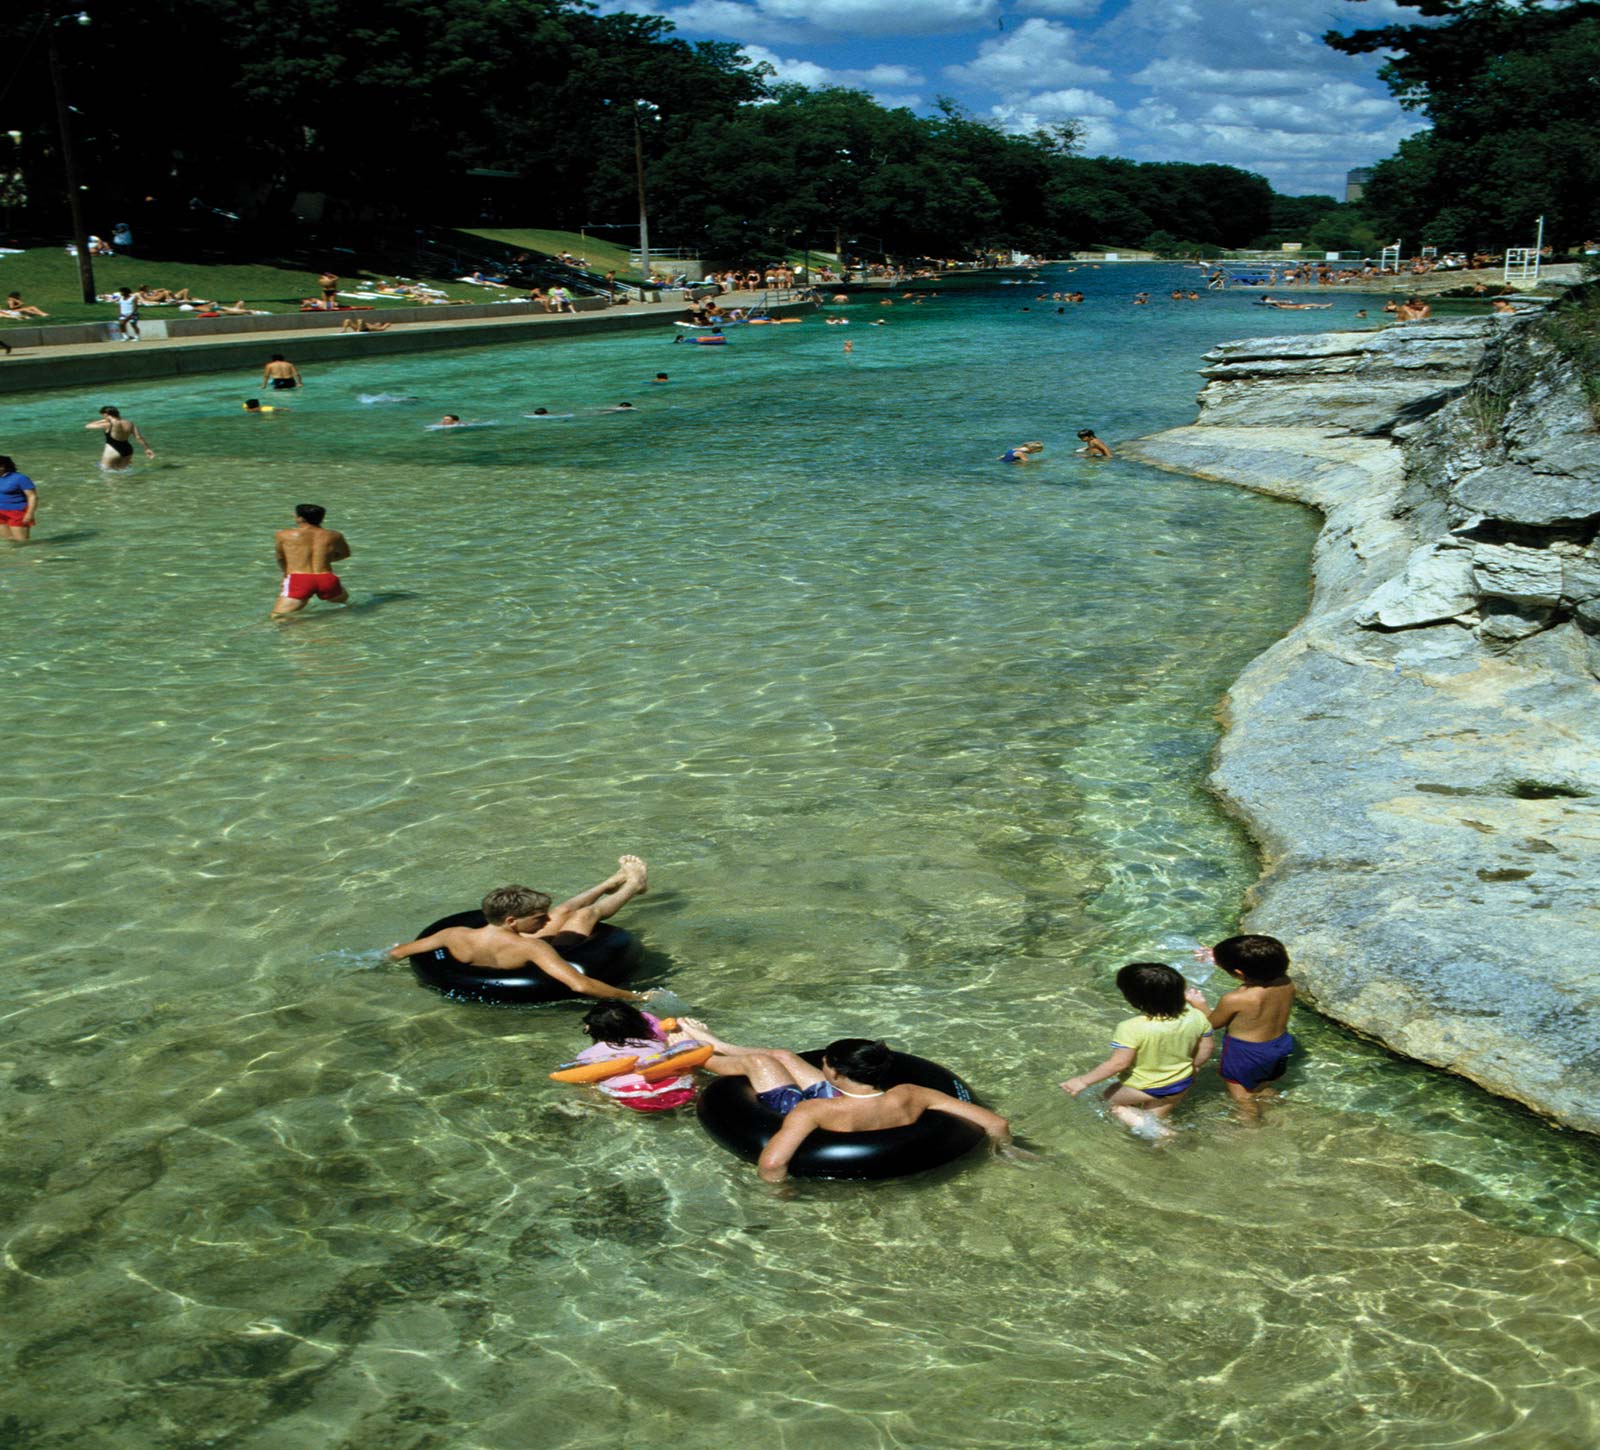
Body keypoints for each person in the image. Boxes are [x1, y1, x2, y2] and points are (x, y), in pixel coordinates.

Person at [677, 1021, 1015, 1182]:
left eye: (824, 1062)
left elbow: (771, 1165)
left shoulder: (812, 1111)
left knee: (762, 1063)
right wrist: (1003, 1151)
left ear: (835, 1074)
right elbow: (997, 1123)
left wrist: (779, 1198)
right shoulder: (912, 1094)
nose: (819, 1064)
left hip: (820, 1110)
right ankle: (715, 1041)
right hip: (855, 1101)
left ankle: (693, 1050)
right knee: (781, 1054)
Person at [387, 859, 657, 1002]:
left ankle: (610, 882)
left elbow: (399, 952)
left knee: (562, 912)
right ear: (512, 921)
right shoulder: (533, 947)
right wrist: (638, 997)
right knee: (586, 914)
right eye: (539, 918)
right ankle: (634, 885)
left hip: (498, 948)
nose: (545, 921)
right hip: (523, 961)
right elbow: (579, 983)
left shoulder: (454, 935)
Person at [1061, 963, 1215, 1137]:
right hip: (1182, 1082)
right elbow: (1207, 1047)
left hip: (1144, 1087)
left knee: (1106, 1101)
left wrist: (1083, 1081)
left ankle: (1160, 1133)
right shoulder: (1196, 1015)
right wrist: (1194, 1068)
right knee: (1151, 1118)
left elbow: (1119, 1063)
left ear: (1133, 999)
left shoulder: (1131, 1028)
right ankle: (1156, 1136)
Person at [1183, 934, 1295, 1119]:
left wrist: (1199, 1004)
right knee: (1261, 1085)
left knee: (1241, 1096)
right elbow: (1262, 966)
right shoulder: (1286, 982)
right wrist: (1217, 957)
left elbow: (1212, 1024)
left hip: (1246, 1054)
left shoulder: (1236, 999)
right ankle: (1274, 1112)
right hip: (1279, 1045)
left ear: (1240, 973)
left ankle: (1249, 1129)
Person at [567, 1002, 701, 1111]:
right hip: (677, 1089)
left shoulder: (588, 1054)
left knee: (589, 1086)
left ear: (591, 1030)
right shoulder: (655, 1043)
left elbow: (580, 1075)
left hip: (631, 1096)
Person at [270, 502, 350, 619]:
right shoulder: (335, 535)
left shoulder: (283, 534)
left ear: (300, 518)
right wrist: (323, 560)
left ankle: (298, 634)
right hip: (326, 579)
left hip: (300, 579)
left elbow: (280, 558)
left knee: (278, 617)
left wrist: (285, 574)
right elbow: (345, 554)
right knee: (346, 604)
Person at [86, 406, 154, 470]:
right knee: (123, 472)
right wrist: (147, 449)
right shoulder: (130, 423)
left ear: (106, 414)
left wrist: (104, 420)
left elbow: (88, 426)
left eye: (103, 415)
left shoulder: (108, 424)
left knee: (106, 471)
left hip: (112, 450)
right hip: (127, 450)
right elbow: (139, 437)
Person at [0, 455, 37, 542]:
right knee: (9, 540)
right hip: (1, 512)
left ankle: (42, 549)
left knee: (22, 542)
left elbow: (32, 496)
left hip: (17, 512)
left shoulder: (20, 478)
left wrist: (30, 513)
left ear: (2, 467)